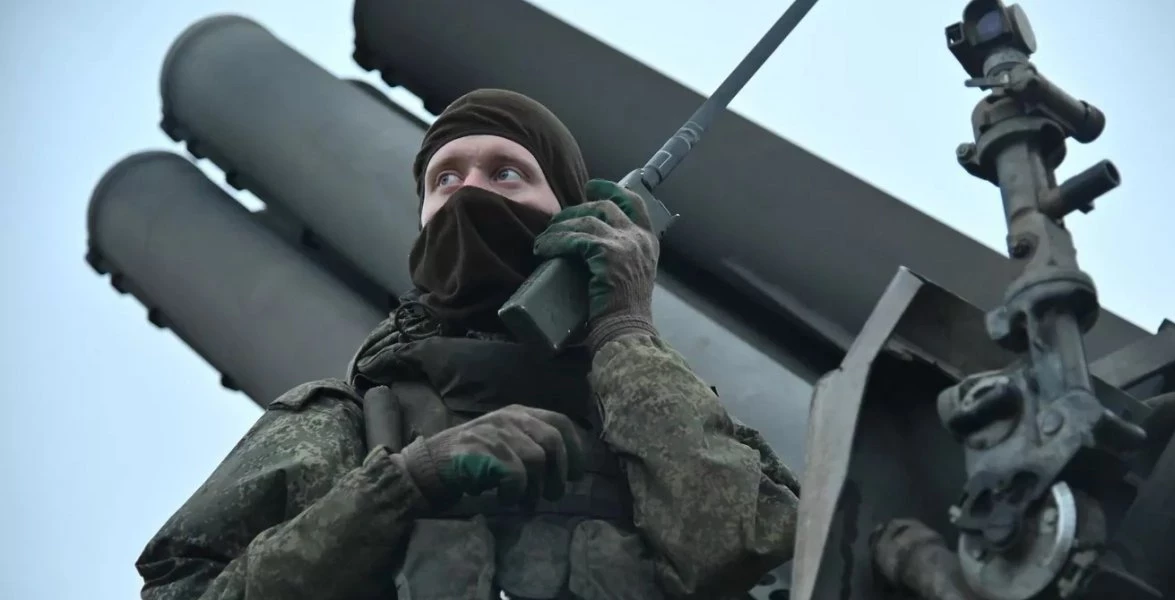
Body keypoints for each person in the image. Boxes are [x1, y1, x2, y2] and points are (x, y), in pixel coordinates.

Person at [136, 89, 800, 600]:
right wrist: (405, 483)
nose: (469, 194)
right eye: (445, 181)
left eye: (507, 173)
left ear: (574, 219)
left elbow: (745, 545)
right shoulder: (346, 424)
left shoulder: (657, 421)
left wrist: (624, 327)